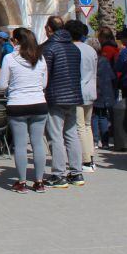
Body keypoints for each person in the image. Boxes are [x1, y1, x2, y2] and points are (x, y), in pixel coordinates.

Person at [0, 28, 49, 193]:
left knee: (20, 145)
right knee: (38, 143)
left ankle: (21, 182)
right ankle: (39, 181)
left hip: (18, 104)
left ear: (16, 41)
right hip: (39, 103)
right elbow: (44, 84)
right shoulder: (40, 58)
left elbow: (2, 84)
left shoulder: (9, 58)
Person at [41, 16, 85, 188]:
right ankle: (76, 172)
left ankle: (58, 174)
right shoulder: (74, 48)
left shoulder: (49, 48)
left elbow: (46, 74)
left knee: (55, 135)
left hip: (55, 95)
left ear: (49, 29)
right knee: (71, 133)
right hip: (73, 95)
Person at [67, 20, 98, 172]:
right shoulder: (90, 49)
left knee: (79, 127)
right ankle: (91, 157)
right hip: (90, 90)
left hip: (78, 91)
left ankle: (86, 160)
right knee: (87, 125)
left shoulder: (71, 49)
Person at [88, 38, 117, 149]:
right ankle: (105, 143)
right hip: (105, 91)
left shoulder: (91, 60)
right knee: (103, 116)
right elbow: (112, 76)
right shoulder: (104, 60)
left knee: (94, 116)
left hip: (95, 89)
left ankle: (95, 140)